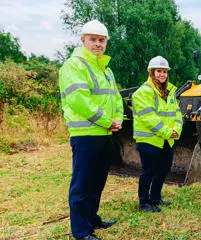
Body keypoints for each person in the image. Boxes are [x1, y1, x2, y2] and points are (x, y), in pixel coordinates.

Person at [59, 20, 123, 240]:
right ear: (83, 40)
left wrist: (117, 118)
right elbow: (80, 102)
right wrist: (108, 121)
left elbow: (116, 97)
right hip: (85, 135)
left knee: (97, 181)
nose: (98, 44)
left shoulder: (106, 68)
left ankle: (92, 218)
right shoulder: (73, 65)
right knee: (82, 183)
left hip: (104, 134)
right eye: (93, 39)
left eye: (102, 40)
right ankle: (81, 231)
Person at [132, 56, 182, 213]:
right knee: (149, 171)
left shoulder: (169, 92)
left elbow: (178, 114)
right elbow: (149, 118)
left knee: (163, 169)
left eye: (165, 72)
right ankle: (143, 202)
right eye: (159, 71)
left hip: (167, 140)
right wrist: (168, 132)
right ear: (151, 72)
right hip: (149, 140)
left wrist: (177, 130)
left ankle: (155, 197)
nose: (162, 75)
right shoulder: (143, 93)